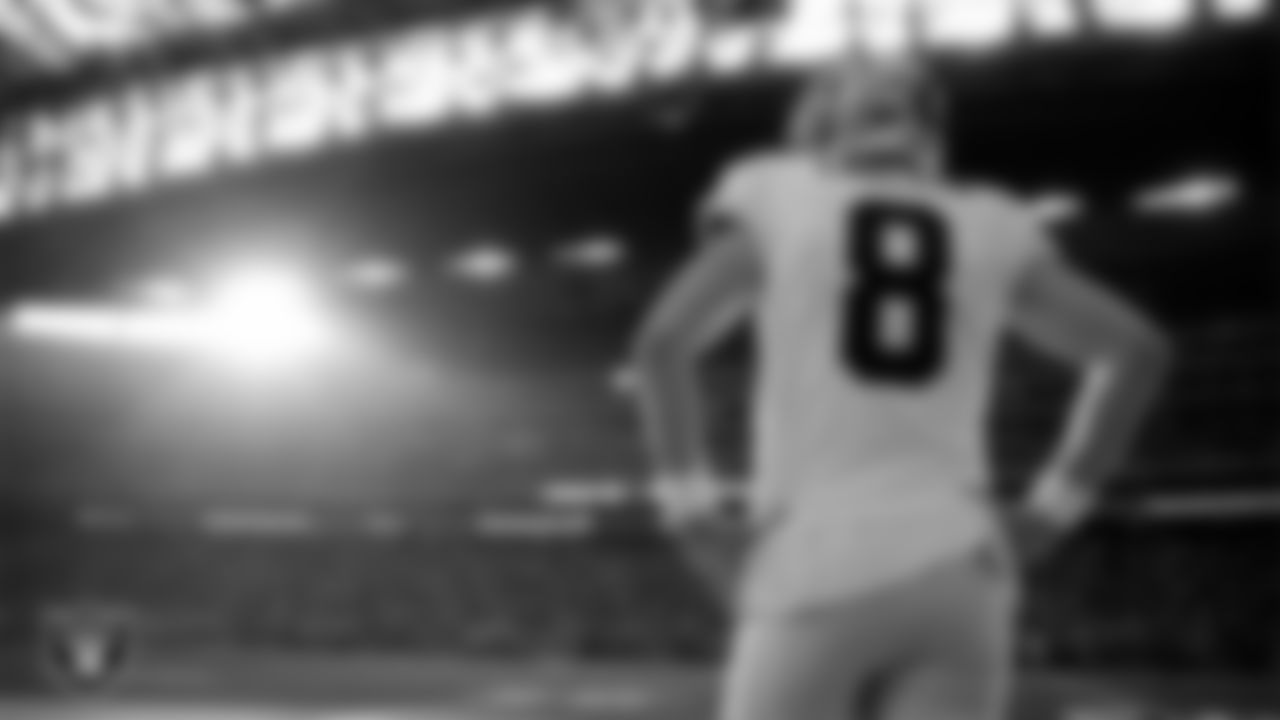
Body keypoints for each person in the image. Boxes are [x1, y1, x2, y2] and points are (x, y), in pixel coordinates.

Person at [628, 53, 1171, 720]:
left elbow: (662, 344)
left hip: (816, 557)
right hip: (962, 564)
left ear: (821, 125)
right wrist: (1053, 511)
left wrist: (692, 515)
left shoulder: (777, 191)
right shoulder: (991, 219)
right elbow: (1136, 350)